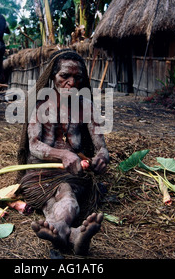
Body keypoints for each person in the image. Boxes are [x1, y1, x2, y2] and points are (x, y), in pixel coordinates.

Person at [17, 49, 109, 255]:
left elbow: (101, 147)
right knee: (61, 197)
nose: (71, 82)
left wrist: (102, 158)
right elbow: (34, 145)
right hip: (40, 172)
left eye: (77, 77)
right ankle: (73, 235)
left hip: (72, 173)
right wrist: (63, 154)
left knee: (66, 194)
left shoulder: (87, 107)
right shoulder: (40, 107)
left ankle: (60, 230)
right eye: (64, 76)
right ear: (53, 77)